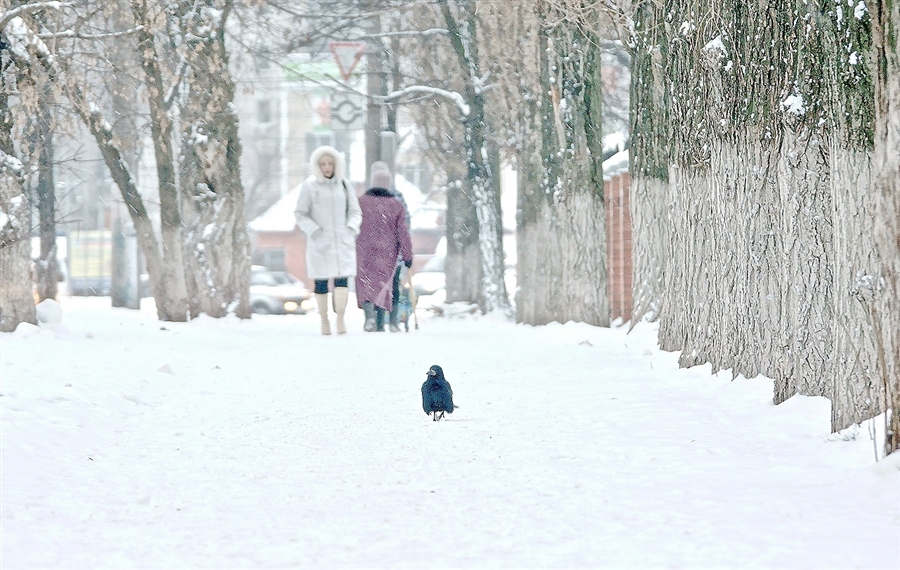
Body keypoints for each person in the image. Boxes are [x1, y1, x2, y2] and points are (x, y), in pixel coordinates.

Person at [294, 146, 362, 335]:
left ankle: (340, 318)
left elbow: (355, 211)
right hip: (320, 242)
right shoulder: (310, 186)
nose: (327, 167)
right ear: (317, 165)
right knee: (321, 281)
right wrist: (315, 231)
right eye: (323, 164)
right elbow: (300, 213)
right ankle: (324, 320)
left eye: (330, 163)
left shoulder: (344, 185)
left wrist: (350, 228)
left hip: (343, 241)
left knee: (342, 280)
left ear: (336, 164)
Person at [355, 165, 413, 332]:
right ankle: (390, 323)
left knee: (367, 285)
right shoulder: (396, 204)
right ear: (389, 184)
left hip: (365, 251)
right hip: (388, 253)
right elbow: (403, 232)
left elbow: (353, 225)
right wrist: (407, 255)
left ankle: (369, 318)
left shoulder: (361, 202)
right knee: (388, 285)